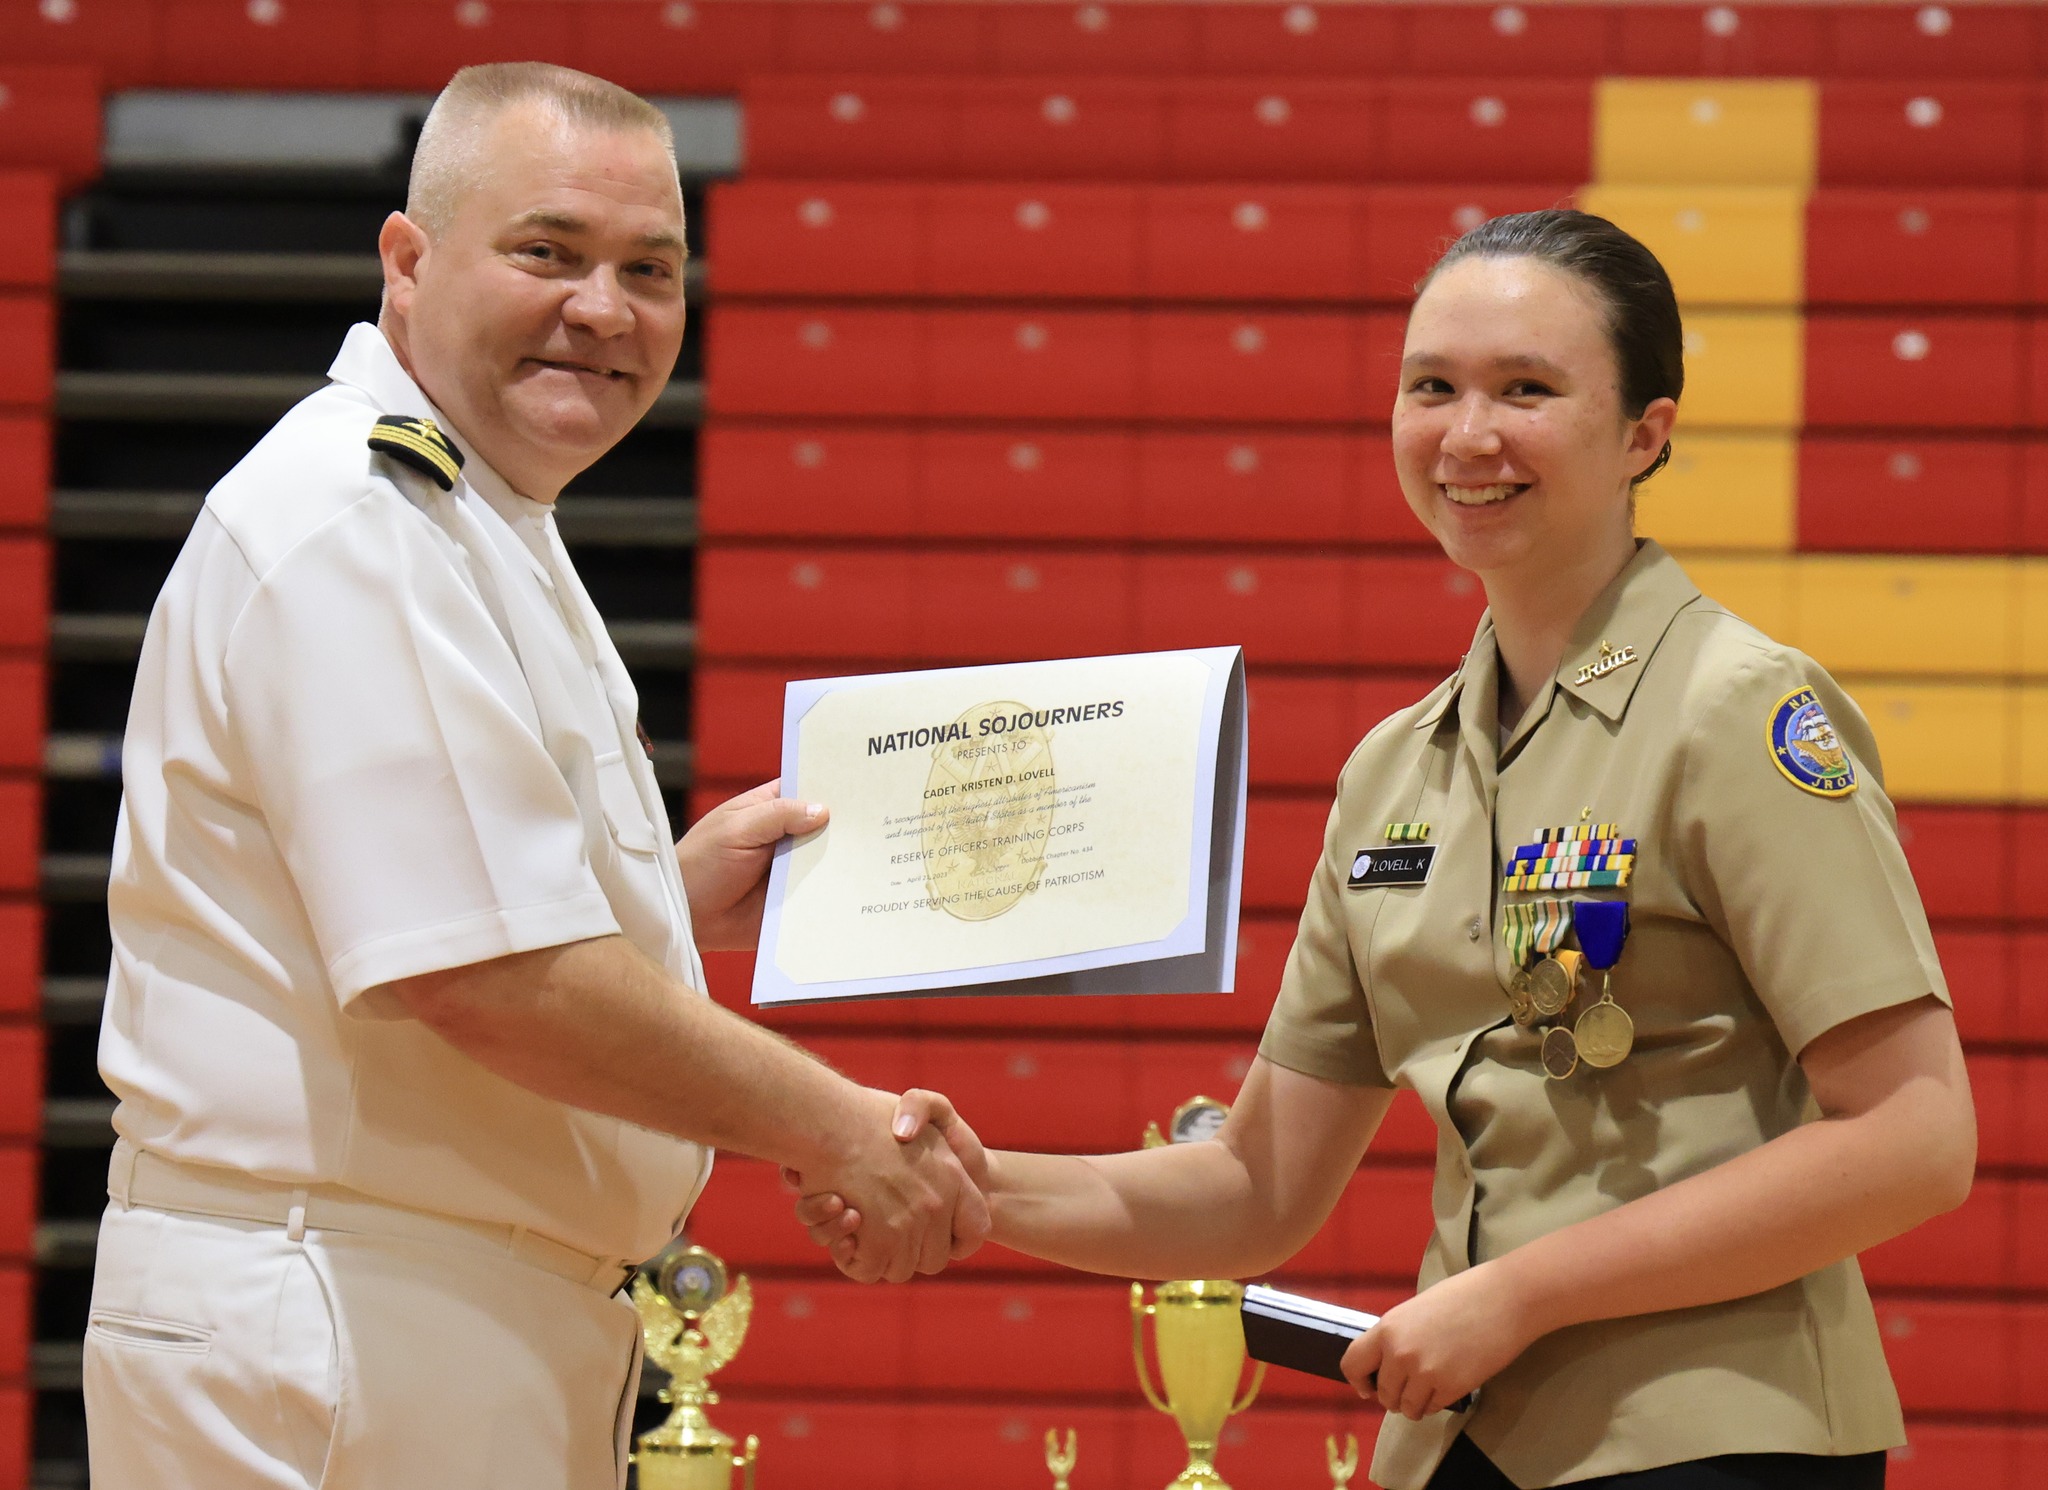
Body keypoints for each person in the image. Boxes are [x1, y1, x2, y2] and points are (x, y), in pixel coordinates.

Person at [794, 211, 1977, 1490]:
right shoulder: (1392, 771)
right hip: (1461, 1435)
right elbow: (1255, 1185)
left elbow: (1913, 1133)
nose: (1466, 435)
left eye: (1524, 389)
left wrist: (1517, 1291)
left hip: (1714, 1436)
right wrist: (968, 1185)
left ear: (1644, 433)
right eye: (1431, 387)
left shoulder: (1733, 709)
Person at [86, 62, 983, 1490]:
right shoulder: (359, 521)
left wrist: (668, 898)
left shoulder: (476, 513)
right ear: (408, 259)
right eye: (549, 252)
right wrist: (839, 1128)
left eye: (650, 269)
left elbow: (424, 912)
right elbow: (486, 977)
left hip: (422, 1306)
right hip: (346, 1316)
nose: (605, 311)